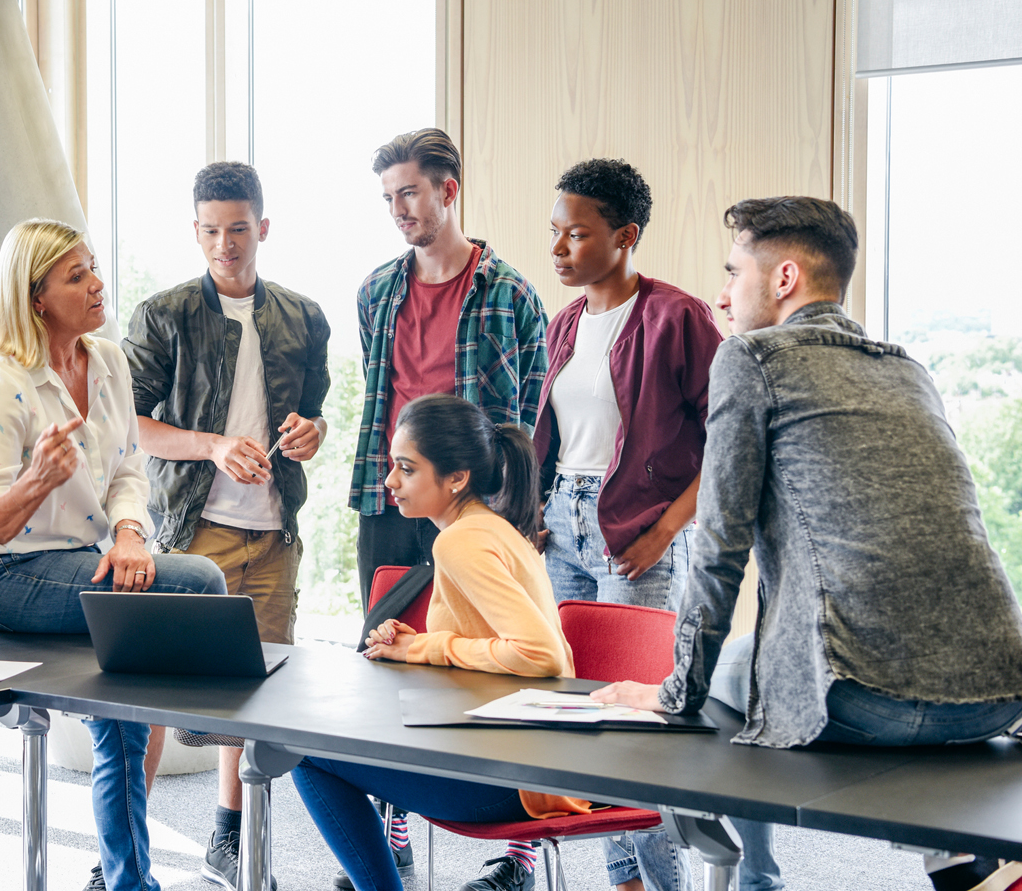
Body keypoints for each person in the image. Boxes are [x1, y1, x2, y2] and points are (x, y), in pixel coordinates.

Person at [592, 196, 1022, 891]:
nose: (722, 293)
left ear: (784, 277)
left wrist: (673, 694)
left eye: (734, 271)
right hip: (998, 693)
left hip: (858, 698)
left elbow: (721, 540)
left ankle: (737, 873)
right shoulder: (910, 368)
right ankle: (964, 862)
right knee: (766, 667)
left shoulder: (752, 358)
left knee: (728, 676)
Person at [0, 218, 228, 891]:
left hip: (83, 556)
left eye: (94, 267)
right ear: (36, 296)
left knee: (124, 719)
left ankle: (130, 882)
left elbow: (130, 468)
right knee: (200, 580)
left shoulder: (106, 362)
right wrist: (36, 480)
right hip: (3, 573)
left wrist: (132, 533)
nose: (98, 283)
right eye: (77, 275)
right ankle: (201, 710)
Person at [295, 394, 609, 891]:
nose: (390, 482)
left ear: (457, 478)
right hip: (539, 766)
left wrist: (428, 647)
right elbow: (494, 647)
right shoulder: (494, 529)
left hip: (517, 779)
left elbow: (540, 655)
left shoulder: (459, 540)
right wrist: (416, 642)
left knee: (306, 753)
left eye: (406, 469)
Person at [123, 161, 331, 891]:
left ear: (262, 228)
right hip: (190, 530)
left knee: (254, 693)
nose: (225, 245)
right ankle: (125, 853)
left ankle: (229, 837)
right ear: (195, 231)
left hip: (273, 534)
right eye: (211, 231)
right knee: (152, 696)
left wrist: (312, 432)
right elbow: (132, 425)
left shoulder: (303, 317)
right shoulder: (162, 315)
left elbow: (313, 415)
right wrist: (211, 444)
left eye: (238, 229)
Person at [349, 129, 548, 889]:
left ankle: (520, 851)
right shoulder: (376, 290)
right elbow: (377, 388)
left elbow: (528, 411)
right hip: (393, 496)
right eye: (389, 197)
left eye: (410, 193)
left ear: (448, 190)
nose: (400, 209)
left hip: (482, 503)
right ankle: (393, 820)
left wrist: (522, 511)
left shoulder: (511, 294)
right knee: (390, 650)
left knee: (501, 657)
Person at [534, 160, 722, 891]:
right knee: (585, 716)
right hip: (566, 524)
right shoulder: (565, 324)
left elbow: (727, 445)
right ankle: (627, 881)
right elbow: (556, 435)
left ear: (625, 235)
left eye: (575, 234)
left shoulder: (679, 316)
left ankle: (672, 880)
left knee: (638, 723)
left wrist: (667, 532)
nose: (558, 249)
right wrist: (539, 513)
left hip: (642, 530)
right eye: (554, 232)